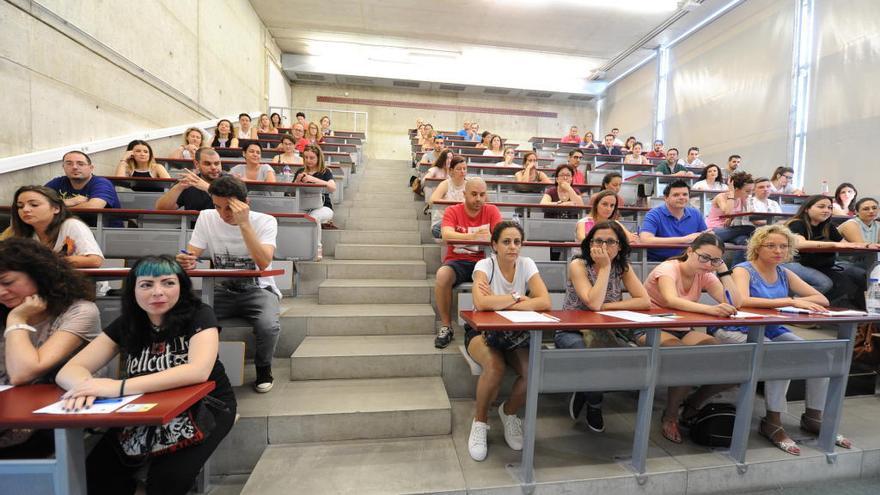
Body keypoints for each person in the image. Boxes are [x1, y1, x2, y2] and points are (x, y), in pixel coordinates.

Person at [56, 256, 236, 494]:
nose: (158, 292)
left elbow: (198, 371)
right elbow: (69, 370)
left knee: (167, 481)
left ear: (181, 287)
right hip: (143, 408)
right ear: (133, 290)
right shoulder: (128, 323)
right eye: (147, 285)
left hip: (204, 407)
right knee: (96, 475)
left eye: (168, 283)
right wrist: (84, 387)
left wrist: (116, 387)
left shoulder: (200, 314)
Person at [715, 224, 852, 455]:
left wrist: (795, 301)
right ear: (757, 248)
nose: (778, 250)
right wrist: (790, 302)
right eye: (771, 246)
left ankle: (813, 417)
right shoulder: (743, 269)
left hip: (771, 329)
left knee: (821, 354)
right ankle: (772, 421)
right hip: (736, 328)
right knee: (783, 356)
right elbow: (743, 301)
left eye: (783, 246)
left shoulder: (783, 272)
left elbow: (821, 299)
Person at [176, 176, 282, 392]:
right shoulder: (207, 217)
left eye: (229, 208)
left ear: (246, 204)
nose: (223, 214)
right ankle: (196, 367)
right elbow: (192, 253)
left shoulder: (265, 221)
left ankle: (263, 367)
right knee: (189, 319)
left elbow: (263, 262)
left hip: (257, 288)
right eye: (217, 207)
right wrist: (187, 259)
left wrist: (244, 224)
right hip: (219, 289)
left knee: (268, 326)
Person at [0, 238, 100, 457]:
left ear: (38, 274)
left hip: (53, 417)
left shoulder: (80, 311)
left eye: (7, 282)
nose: (1, 292)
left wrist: (17, 318)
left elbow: (22, 373)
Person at [643, 233, 742, 443]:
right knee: (687, 357)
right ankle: (670, 416)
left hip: (681, 328)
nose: (708, 264)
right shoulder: (668, 269)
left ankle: (692, 404)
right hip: (650, 327)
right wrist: (710, 310)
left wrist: (723, 271)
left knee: (729, 363)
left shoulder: (706, 272)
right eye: (704, 257)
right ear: (690, 251)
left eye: (715, 260)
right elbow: (671, 300)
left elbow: (736, 301)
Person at [466, 221, 551, 461]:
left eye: (517, 242)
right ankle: (480, 422)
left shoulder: (527, 264)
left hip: (514, 333)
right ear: (494, 245)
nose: (512, 247)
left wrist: (500, 300)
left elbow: (544, 302)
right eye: (506, 241)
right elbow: (481, 304)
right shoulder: (485, 265)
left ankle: (509, 413)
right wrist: (517, 297)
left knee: (532, 370)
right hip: (480, 332)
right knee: (495, 367)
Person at [558, 221, 651, 432]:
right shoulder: (578, 265)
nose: (603, 246)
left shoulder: (622, 267)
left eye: (610, 241)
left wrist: (607, 306)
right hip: (572, 330)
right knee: (591, 357)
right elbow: (592, 302)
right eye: (598, 240)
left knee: (627, 359)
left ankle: (584, 388)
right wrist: (605, 267)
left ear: (619, 246)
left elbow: (644, 301)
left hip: (607, 330)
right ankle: (594, 404)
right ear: (589, 244)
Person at [434, 178, 502, 349]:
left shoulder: (492, 210)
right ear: (464, 194)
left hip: (485, 261)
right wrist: (473, 237)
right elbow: (447, 235)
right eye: (474, 194)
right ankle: (446, 326)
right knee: (442, 275)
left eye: (482, 194)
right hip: (458, 261)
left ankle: (488, 326)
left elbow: (500, 236)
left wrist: (464, 237)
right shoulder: (452, 211)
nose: (478, 198)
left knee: (497, 275)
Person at [784, 195, 867, 308]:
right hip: (793, 263)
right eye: (821, 207)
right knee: (824, 283)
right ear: (807, 209)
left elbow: (844, 245)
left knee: (847, 282)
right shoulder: (797, 223)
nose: (826, 210)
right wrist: (832, 244)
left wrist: (866, 245)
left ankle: (818, 309)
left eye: (829, 207)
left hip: (819, 264)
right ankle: (791, 306)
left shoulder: (828, 226)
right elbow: (799, 244)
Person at [3, 186, 103, 268]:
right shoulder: (15, 231)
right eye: (20, 206)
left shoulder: (72, 225)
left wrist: (44, 260)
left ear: (56, 208)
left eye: (34, 205)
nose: (25, 210)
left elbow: (94, 260)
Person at [46, 150, 122, 227]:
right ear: (63, 167)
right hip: (67, 231)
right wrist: (69, 201)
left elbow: (94, 207)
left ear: (91, 168)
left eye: (80, 164)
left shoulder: (102, 183)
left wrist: (56, 209)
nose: (74, 167)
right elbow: (38, 201)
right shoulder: (58, 182)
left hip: (105, 234)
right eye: (69, 164)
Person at [639, 180, 708, 261]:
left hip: (689, 262)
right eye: (676, 195)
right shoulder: (654, 214)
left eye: (685, 194)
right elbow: (645, 240)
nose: (681, 197)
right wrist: (684, 240)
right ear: (666, 198)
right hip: (659, 262)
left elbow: (706, 236)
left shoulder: (696, 213)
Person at [293, 145, 336, 261]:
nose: (308, 160)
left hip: (324, 207)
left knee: (313, 217)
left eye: (312, 158)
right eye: (306, 157)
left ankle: (317, 248)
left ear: (318, 158)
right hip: (304, 206)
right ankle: (295, 248)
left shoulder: (325, 171)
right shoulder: (300, 171)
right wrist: (297, 181)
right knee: (293, 217)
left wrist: (313, 179)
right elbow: (290, 194)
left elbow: (332, 187)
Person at [705, 171, 756, 264]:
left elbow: (751, 212)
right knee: (750, 229)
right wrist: (731, 193)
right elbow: (728, 212)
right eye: (747, 191)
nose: (750, 194)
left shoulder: (742, 198)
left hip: (730, 230)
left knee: (745, 241)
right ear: (736, 189)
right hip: (715, 230)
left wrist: (748, 200)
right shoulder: (721, 197)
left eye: (752, 191)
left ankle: (736, 270)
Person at [156, 147, 225, 212]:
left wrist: (207, 188)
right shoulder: (188, 181)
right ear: (197, 164)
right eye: (207, 164)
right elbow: (161, 208)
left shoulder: (230, 181)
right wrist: (178, 187)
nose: (213, 167)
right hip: (194, 224)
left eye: (217, 163)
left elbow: (232, 204)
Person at [429, 156, 468, 238]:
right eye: (459, 169)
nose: (462, 171)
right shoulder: (445, 184)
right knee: (439, 229)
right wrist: (453, 206)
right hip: (443, 221)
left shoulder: (469, 185)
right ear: (451, 170)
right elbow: (432, 201)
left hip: (463, 222)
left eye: (464, 169)